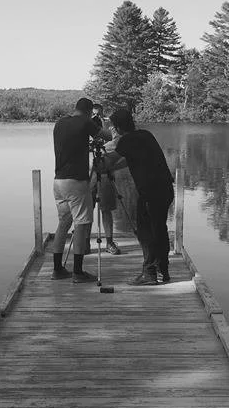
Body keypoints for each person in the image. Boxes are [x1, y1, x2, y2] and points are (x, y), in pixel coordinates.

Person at [102, 109, 174, 285]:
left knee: (145, 232)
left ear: (118, 127)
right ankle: (163, 271)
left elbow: (110, 161)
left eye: (113, 126)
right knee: (159, 230)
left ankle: (149, 274)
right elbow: (131, 159)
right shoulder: (145, 135)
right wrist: (111, 167)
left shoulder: (126, 140)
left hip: (150, 193)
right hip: (165, 190)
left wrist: (100, 156)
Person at [51, 97, 99, 283]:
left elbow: (72, 143)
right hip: (76, 182)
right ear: (88, 111)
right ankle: (78, 272)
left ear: (75, 108)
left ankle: (57, 269)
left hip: (58, 181)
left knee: (63, 223)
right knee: (81, 224)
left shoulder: (60, 123)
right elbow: (106, 136)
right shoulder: (86, 122)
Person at [90, 103, 121, 255]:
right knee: (86, 209)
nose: (96, 117)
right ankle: (82, 244)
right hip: (88, 174)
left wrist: (103, 130)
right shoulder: (84, 128)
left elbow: (117, 143)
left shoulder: (109, 128)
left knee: (106, 209)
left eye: (98, 115)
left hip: (105, 172)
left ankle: (109, 242)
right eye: (93, 115)